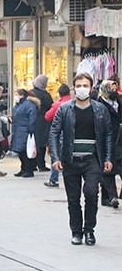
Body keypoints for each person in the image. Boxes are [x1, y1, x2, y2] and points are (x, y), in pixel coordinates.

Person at [49, 72, 114, 246]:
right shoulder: (64, 109)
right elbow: (54, 133)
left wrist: (108, 158)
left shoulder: (100, 109)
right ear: (73, 88)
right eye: (78, 86)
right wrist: (56, 158)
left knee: (91, 193)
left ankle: (89, 230)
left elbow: (108, 134)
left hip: (92, 159)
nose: (82, 89)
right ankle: (76, 232)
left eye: (85, 86)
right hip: (70, 159)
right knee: (73, 198)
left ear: (91, 88)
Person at [97, 80, 121, 208]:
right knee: (108, 170)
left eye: (115, 88)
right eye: (111, 89)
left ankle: (110, 197)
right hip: (106, 140)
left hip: (120, 140)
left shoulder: (119, 103)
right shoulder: (99, 105)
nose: (114, 91)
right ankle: (111, 197)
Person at [43, 84, 72, 187]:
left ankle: (53, 179)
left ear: (59, 94)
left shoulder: (57, 105)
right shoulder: (75, 103)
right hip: (73, 134)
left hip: (60, 133)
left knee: (56, 156)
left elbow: (47, 116)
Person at [10, 89, 38, 178]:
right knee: (21, 151)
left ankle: (28, 170)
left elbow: (32, 117)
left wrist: (31, 129)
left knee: (26, 151)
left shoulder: (29, 105)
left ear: (22, 95)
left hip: (25, 130)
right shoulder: (18, 105)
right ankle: (23, 169)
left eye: (17, 94)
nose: (15, 96)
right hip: (18, 130)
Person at [31, 74, 54, 171]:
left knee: (33, 142)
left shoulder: (31, 93)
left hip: (32, 120)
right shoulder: (46, 95)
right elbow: (51, 107)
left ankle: (32, 164)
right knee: (42, 143)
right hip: (43, 121)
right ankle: (41, 164)